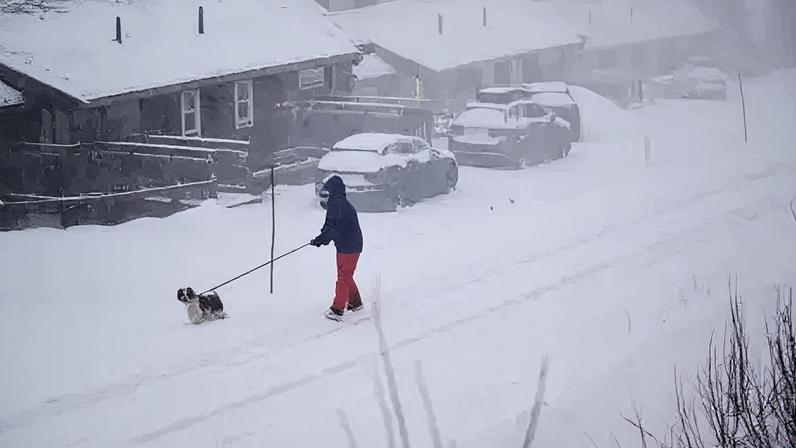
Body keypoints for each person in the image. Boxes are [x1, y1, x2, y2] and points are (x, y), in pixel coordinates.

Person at [311, 175, 364, 321]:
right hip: (350, 245)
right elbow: (331, 226)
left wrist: (320, 240)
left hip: (348, 246)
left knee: (343, 276)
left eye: (327, 189)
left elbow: (332, 229)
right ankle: (355, 303)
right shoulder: (341, 202)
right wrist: (320, 238)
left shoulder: (336, 204)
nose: (326, 193)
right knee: (346, 274)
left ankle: (337, 310)